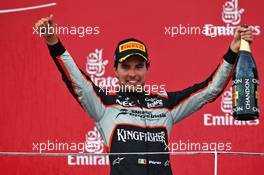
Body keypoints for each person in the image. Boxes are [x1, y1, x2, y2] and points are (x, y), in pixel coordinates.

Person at [35, 14, 253, 175]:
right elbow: (78, 82)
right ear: (115, 70)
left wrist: (232, 51)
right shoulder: (103, 105)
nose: (132, 73)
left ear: (147, 68)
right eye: (126, 67)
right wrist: (53, 43)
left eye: (138, 66)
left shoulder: (166, 104)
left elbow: (210, 90)